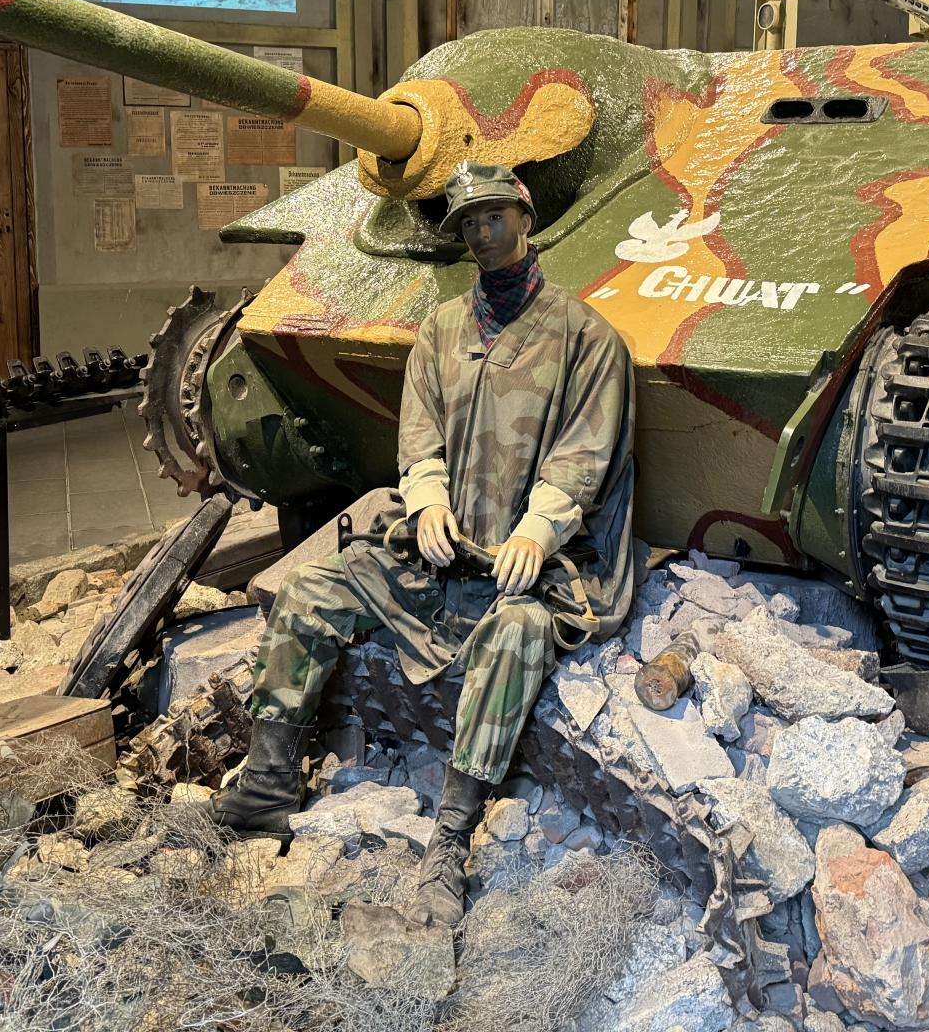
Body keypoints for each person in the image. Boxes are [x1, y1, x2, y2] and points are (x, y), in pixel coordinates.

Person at [212, 163, 636, 928]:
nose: (481, 233)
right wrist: (427, 495)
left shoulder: (585, 338)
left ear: (525, 216)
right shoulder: (441, 328)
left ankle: (448, 842)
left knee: (520, 635)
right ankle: (267, 788)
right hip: (436, 560)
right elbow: (419, 432)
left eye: (494, 216)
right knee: (315, 591)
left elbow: (585, 452)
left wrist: (539, 530)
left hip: (526, 570)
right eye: (468, 223)